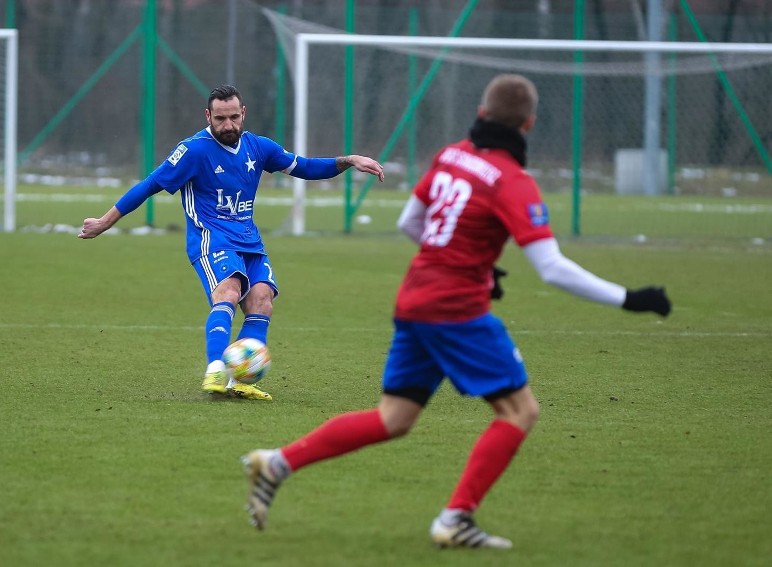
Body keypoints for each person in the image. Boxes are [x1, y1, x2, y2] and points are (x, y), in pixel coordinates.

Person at [241, 74, 671, 548]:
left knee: (394, 418)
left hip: (415, 300)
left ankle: (277, 462)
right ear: (528, 123)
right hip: (456, 310)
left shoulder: (452, 155)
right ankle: (455, 518)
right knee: (519, 411)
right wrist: (630, 298)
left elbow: (411, 222)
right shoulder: (513, 180)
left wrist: (475, 267)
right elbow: (551, 268)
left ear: (482, 114)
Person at [79, 85, 385, 401]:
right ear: (208, 116)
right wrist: (105, 222)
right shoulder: (193, 150)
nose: (228, 125)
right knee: (229, 290)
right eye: (221, 118)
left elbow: (304, 167)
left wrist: (349, 160)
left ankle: (238, 379)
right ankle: (215, 367)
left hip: (249, 240)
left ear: (243, 114)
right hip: (211, 238)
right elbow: (148, 185)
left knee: (262, 300)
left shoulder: (258, 147)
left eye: (234, 117)